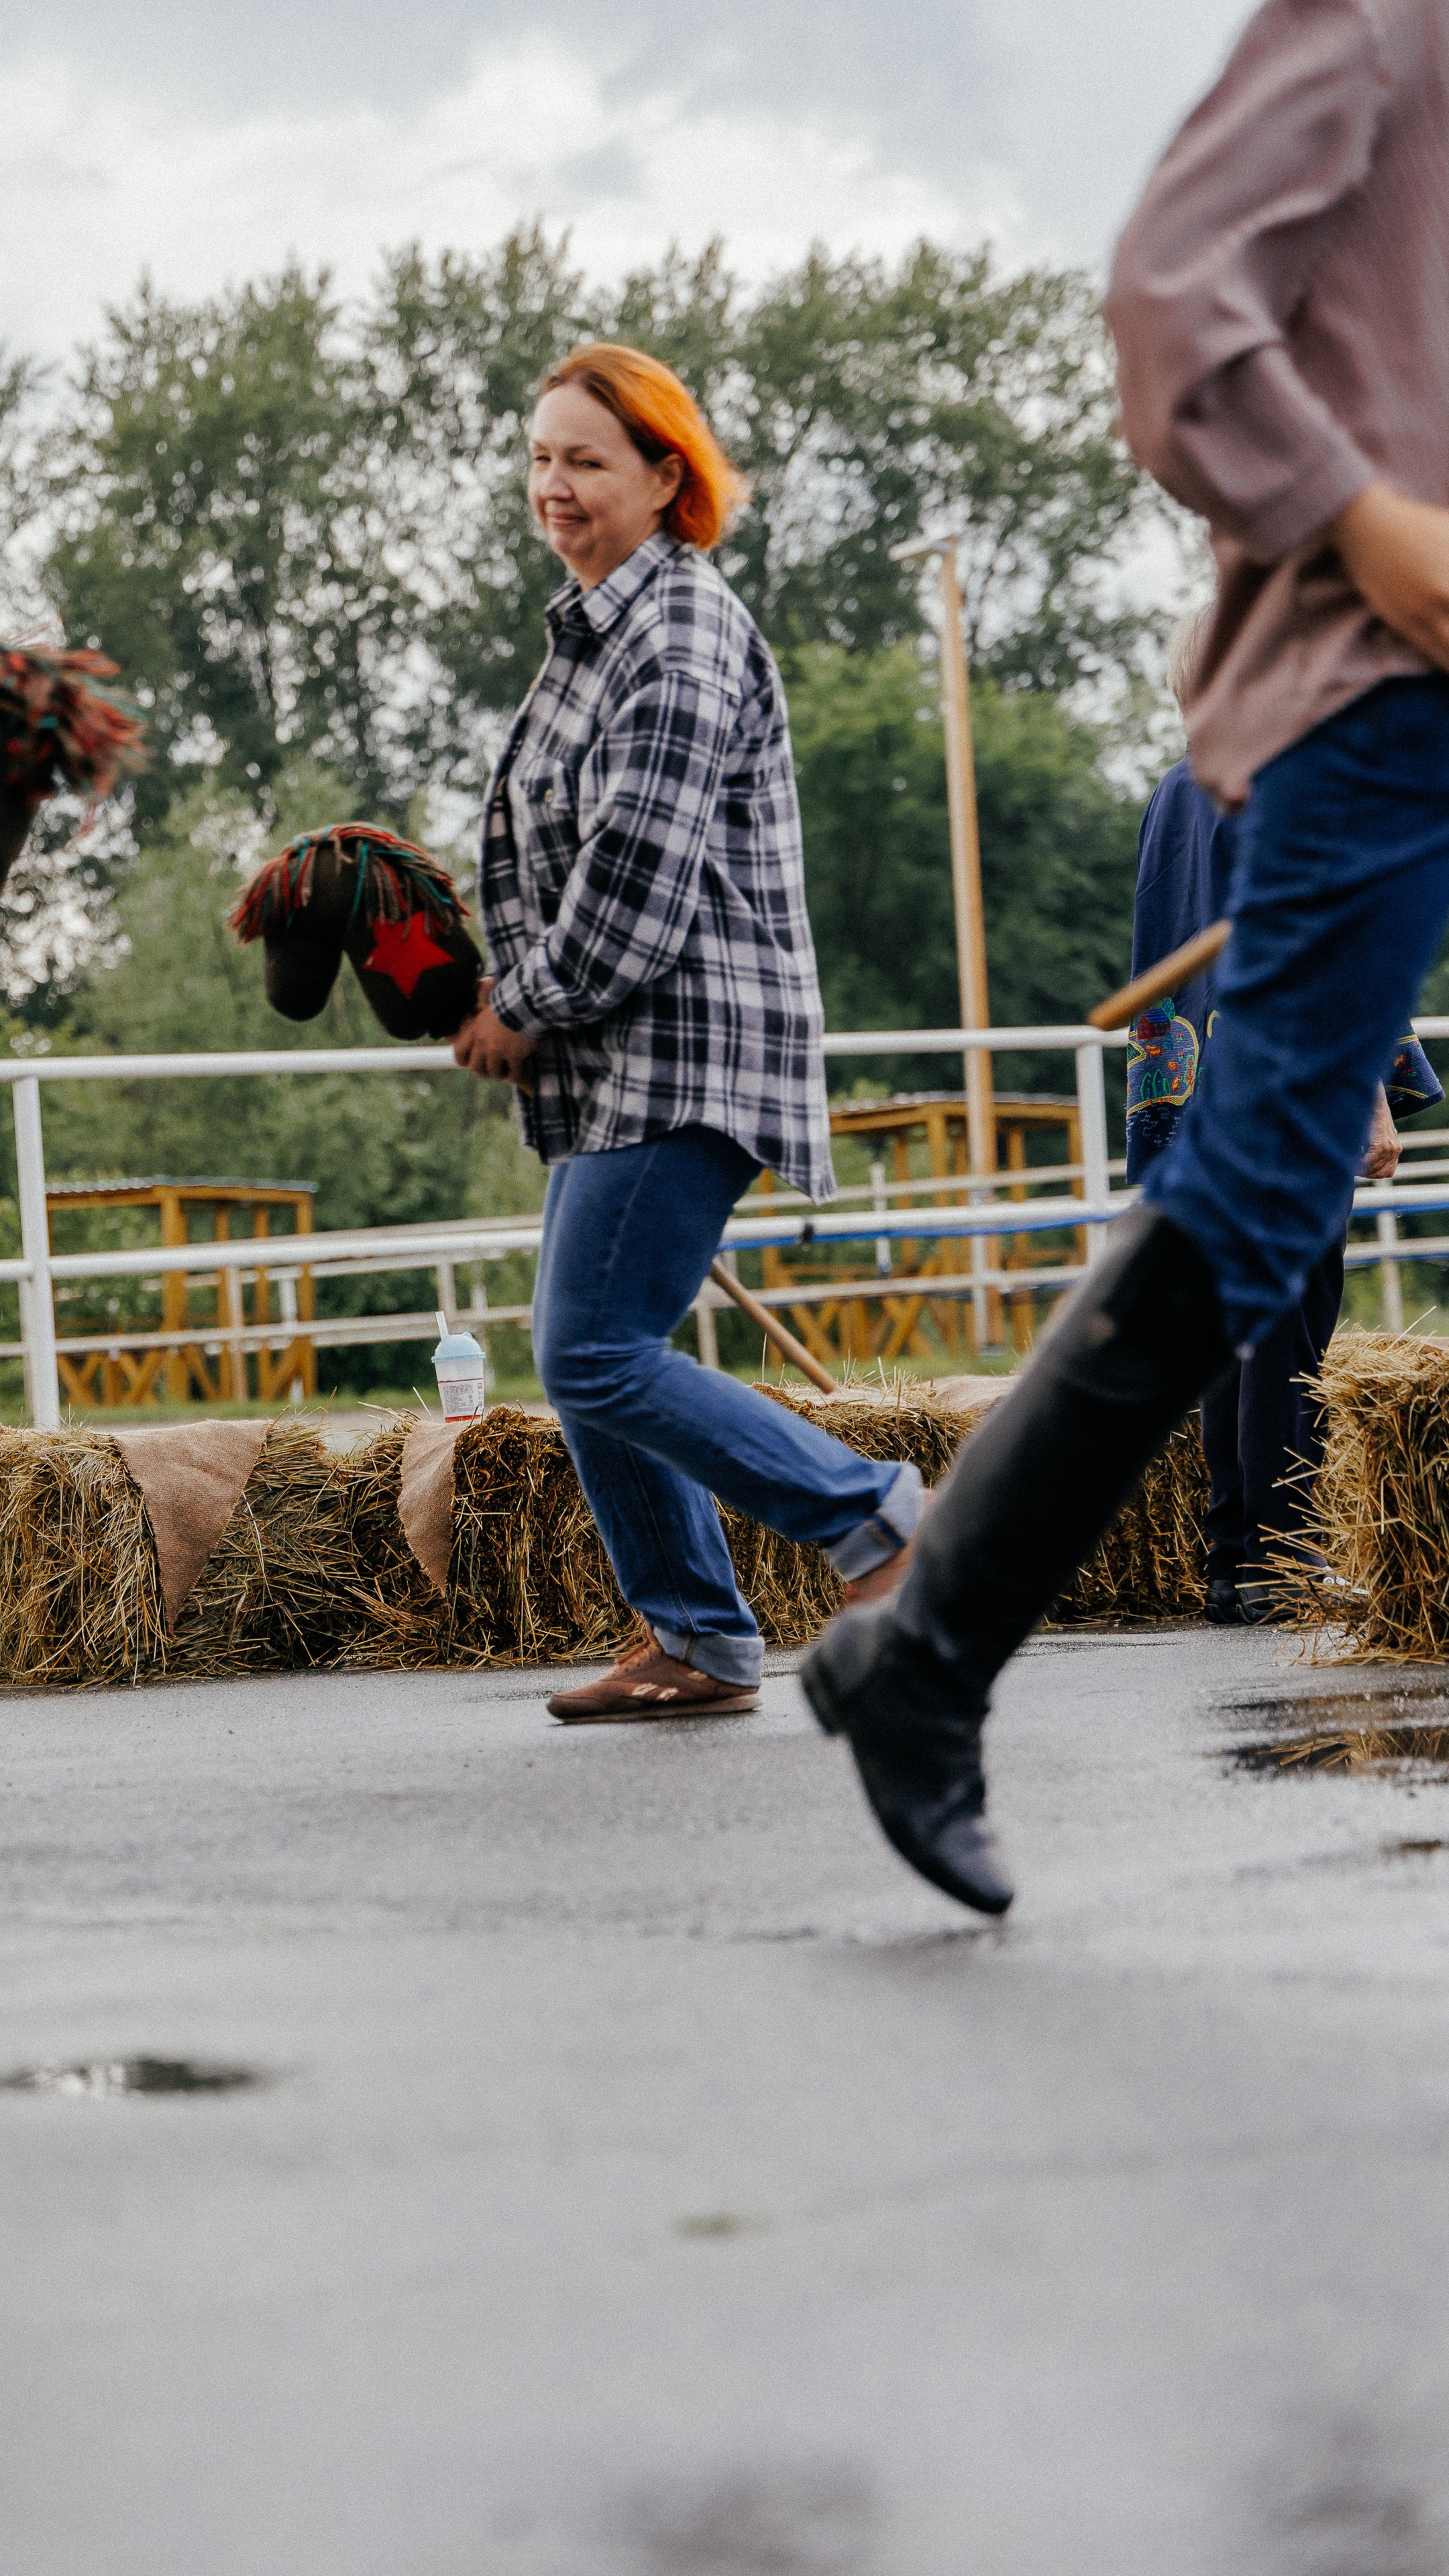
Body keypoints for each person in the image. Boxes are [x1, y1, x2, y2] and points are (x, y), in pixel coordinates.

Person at [802, 0, 1449, 1915]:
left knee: (1267, 1191)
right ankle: (921, 1655)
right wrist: (1367, 524)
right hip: (1373, 693)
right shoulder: (1375, 24)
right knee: (1259, 1194)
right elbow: (1171, 308)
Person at [454, 342, 923, 1721]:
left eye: (584, 459)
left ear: (668, 478)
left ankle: (877, 1517)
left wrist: (515, 1010)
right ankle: (697, 1638)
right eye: (539, 455)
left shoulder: (676, 630)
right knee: (590, 1343)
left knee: (592, 1348)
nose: (553, 483)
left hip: (682, 1044)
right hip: (623, 1054)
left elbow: (636, 884)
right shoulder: (598, 626)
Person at [1126, 609, 1442, 1625]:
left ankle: (1237, 1558)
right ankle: (1286, 1559)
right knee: (1292, 1334)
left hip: (1197, 1106)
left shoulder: (1178, 792)